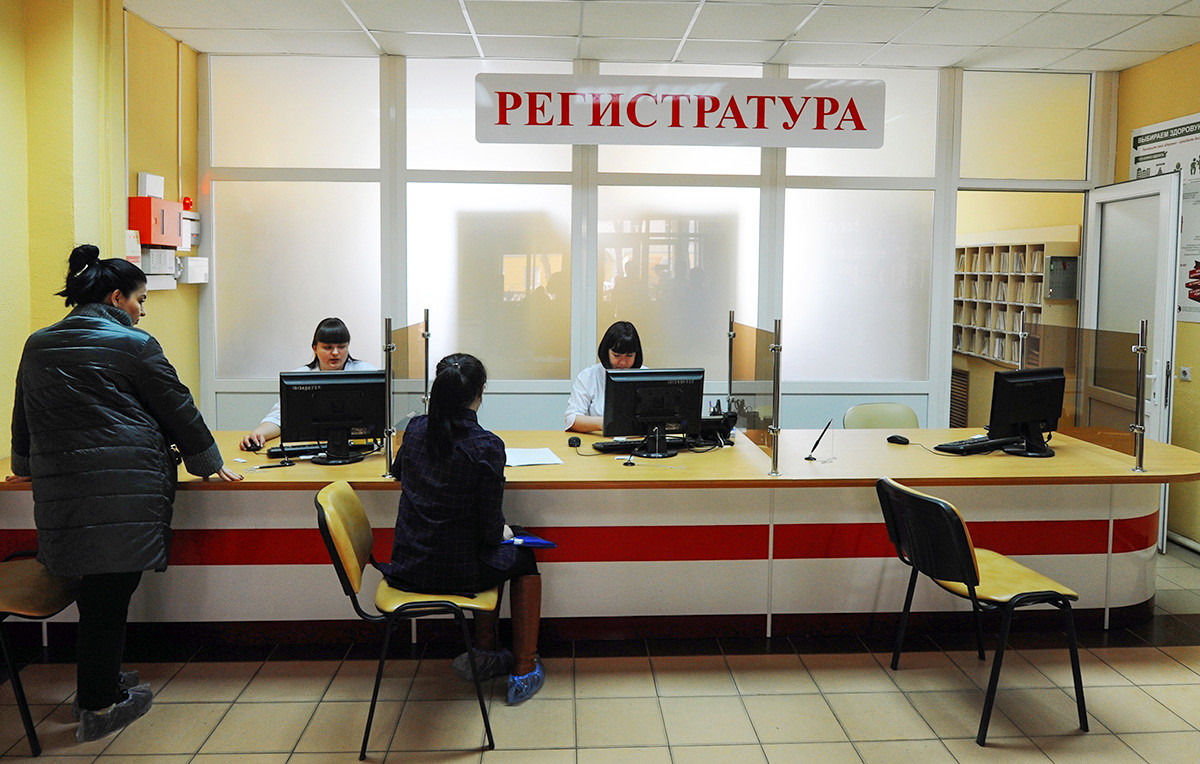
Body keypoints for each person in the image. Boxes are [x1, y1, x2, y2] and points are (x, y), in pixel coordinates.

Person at [7, 244, 241, 743]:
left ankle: (103, 680)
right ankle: (99, 704)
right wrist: (208, 462)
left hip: (65, 493)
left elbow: (23, 410)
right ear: (117, 298)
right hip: (125, 490)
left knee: (98, 595)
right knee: (109, 597)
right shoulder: (134, 345)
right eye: (140, 300)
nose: (142, 310)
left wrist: (23, 465)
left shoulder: (38, 343)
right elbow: (176, 406)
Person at [384, 353, 545, 704]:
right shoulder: (486, 446)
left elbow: (400, 473)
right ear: (480, 393)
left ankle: (484, 654)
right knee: (523, 557)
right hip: (458, 573)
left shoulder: (413, 430)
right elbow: (490, 533)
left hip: (408, 567)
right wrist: (504, 532)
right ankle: (524, 667)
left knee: (495, 548)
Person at [239, 317, 376, 450]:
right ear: (315, 349)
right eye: (328, 347)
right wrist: (258, 434)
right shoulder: (300, 377)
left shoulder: (366, 372)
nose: (335, 353)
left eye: (341, 347)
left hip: (358, 448)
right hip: (311, 450)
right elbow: (279, 417)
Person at [564, 320, 644, 432]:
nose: (623, 362)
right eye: (617, 355)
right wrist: (604, 423)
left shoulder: (646, 376)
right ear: (606, 352)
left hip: (640, 444)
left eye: (629, 356)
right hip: (600, 441)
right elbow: (571, 418)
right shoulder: (589, 376)